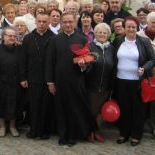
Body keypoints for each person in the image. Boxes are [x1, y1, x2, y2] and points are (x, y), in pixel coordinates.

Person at [45, 12, 95, 146]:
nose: (68, 24)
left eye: (70, 22)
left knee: (74, 109)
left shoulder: (82, 40)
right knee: (60, 109)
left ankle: (73, 136)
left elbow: (88, 62)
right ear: (61, 23)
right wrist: (50, 82)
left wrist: (84, 65)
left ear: (75, 22)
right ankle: (63, 135)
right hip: (59, 81)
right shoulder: (55, 40)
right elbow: (49, 62)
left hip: (76, 81)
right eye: (65, 22)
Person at [113, 16, 155, 146]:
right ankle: (124, 132)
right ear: (124, 28)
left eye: (133, 27)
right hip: (121, 80)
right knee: (124, 108)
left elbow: (153, 59)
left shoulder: (144, 41)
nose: (131, 29)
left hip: (138, 81)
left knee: (138, 109)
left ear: (137, 28)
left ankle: (136, 134)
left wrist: (144, 68)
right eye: (128, 27)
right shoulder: (119, 40)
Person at [20, 12, 55, 140]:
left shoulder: (53, 38)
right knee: (33, 106)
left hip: (47, 79)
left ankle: (45, 131)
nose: (41, 24)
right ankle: (34, 130)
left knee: (46, 106)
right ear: (35, 22)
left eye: (44, 22)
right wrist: (23, 77)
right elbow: (23, 59)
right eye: (39, 21)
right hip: (32, 77)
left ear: (48, 23)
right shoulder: (28, 38)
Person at [0, 26, 22, 137]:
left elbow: (23, 66)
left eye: (14, 36)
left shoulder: (19, 49)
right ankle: (2, 127)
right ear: (3, 37)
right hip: (1, 83)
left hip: (16, 83)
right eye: (9, 35)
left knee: (15, 105)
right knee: (1, 105)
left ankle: (12, 127)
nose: (12, 38)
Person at [85, 23, 115, 143]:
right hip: (91, 84)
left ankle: (97, 131)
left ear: (108, 34)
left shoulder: (112, 48)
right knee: (91, 110)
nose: (102, 34)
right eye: (99, 32)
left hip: (106, 85)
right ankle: (89, 131)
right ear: (95, 34)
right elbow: (86, 67)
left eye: (104, 32)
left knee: (100, 111)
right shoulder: (89, 46)